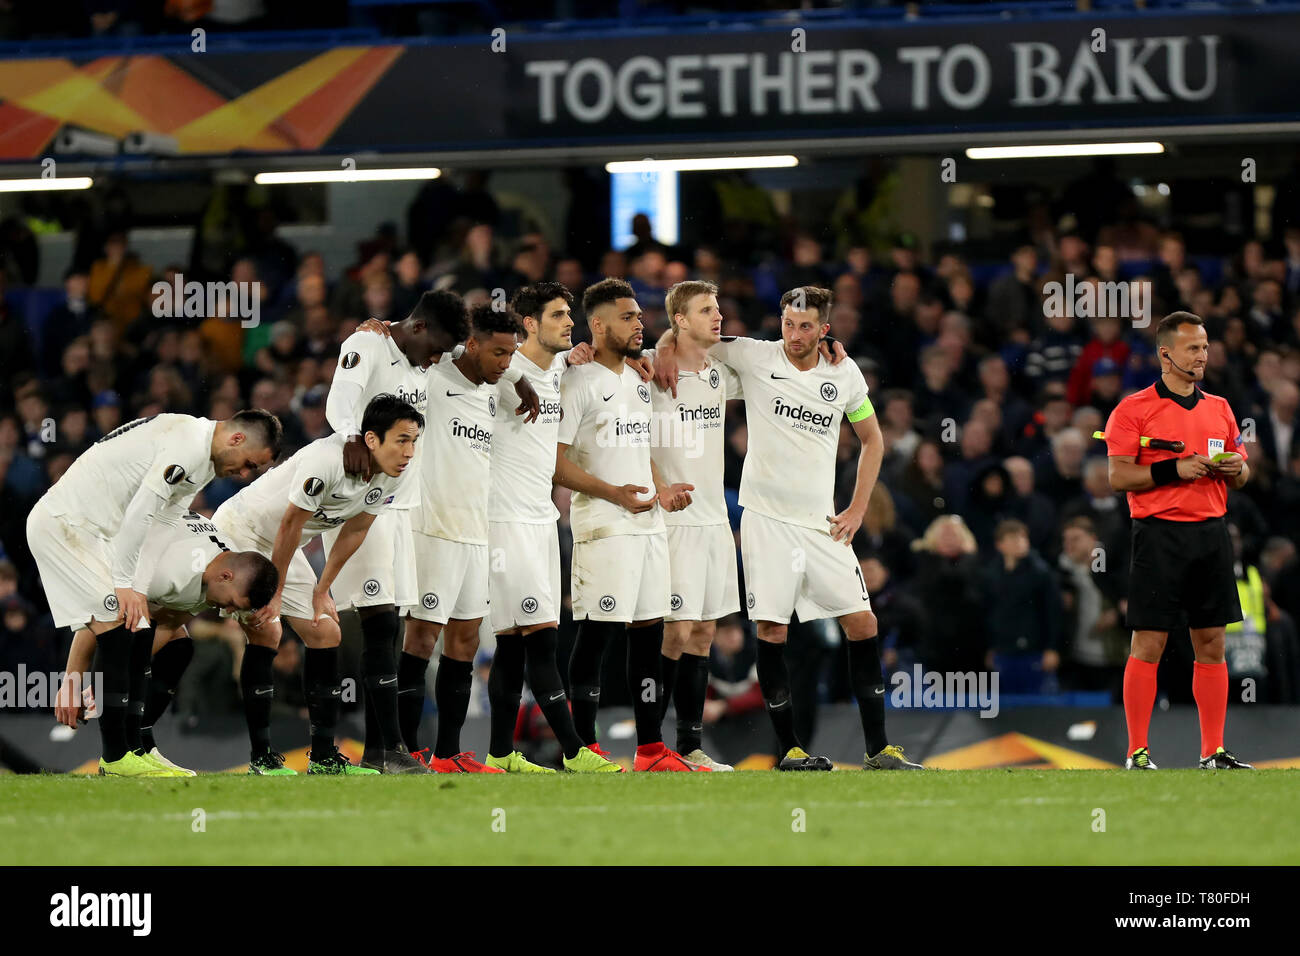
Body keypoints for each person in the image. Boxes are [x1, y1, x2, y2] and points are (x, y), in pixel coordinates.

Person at [657, 286, 921, 770]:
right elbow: (687, 335)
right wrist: (662, 350)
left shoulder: (844, 372)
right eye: (788, 323)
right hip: (766, 521)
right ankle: (790, 749)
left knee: (863, 623)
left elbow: (872, 439)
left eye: (805, 326)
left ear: (825, 329)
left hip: (822, 524)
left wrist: (858, 509)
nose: (794, 335)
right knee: (772, 630)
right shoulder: (755, 356)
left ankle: (879, 749)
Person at [26, 409, 281, 777]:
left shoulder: (202, 459)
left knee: (136, 623)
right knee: (119, 625)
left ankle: (136, 748)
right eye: (248, 465)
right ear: (236, 439)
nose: (244, 475)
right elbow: (141, 515)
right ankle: (116, 758)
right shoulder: (188, 449)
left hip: (95, 530)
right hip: (71, 525)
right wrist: (127, 585)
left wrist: (137, 590)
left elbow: (162, 523)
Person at [215, 395, 420, 775]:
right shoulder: (328, 461)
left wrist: (322, 589)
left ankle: (324, 757)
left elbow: (355, 529)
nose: (409, 451)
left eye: (414, 441)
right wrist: (274, 594)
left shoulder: (397, 473)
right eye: (402, 440)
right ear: (373, 439)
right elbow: (291, 523)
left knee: (325, 632)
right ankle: (261, 757)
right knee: (266, 631)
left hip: (282, 545)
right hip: (242, 530)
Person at [554, 278, 699, 772]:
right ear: (597, 324)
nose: (640, 324)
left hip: (648, 525)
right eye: (628, 317)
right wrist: (615, 494)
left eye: (639, 316)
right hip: (603, 526)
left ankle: (651, 748)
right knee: (595, 634)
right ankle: (583, 749)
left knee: (647, 635)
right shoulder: (575, 382)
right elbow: (555, 465)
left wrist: (659, 490)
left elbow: (640, 451)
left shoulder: (639, 379)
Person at [320, 291, 467, 773]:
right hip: (364, 503)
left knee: (392, 622)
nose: (440, 359)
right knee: (377, 623)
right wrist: (348, 438)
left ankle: (385, 749)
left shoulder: (420, 354)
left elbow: (474, 347)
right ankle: (383, 749)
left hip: (400, 508)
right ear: (421, 328)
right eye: (438, 348)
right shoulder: (368, 344)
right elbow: (340, 400)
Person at [481, 283, 622, 773]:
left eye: (570, 315)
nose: (570, 323)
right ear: (529, 324)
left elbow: (614, 349)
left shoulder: (563, 368)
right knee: (540, 636)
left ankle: (500, 756)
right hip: (504, 521)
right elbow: (456, 345)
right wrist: (382, 329)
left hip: (541, 519)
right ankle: (575, 750)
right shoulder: (500, 368)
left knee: (513, 644)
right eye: (559, 315)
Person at [1103, 311, 1254, 769]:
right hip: (1159, 535)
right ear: (1166, 354)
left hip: (1211, 533)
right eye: (1194, 348)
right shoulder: (1133, 409)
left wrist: (1236, 469)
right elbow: (1117, 476)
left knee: (1212, 642)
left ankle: (1213, 751)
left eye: (1205, 347)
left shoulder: (1221, 408)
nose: (1203, 355)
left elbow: (1244, 472)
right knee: (1149, 642)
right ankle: (1137, 752)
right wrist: (1174, 469)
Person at [53, 511, 279, 775]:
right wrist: (72, 682)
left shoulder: (217, 572)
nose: (228, 611)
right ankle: (116, 757)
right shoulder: (169, 572)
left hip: (137, 570)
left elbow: (170, 623)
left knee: (179, 647)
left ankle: (140, 746)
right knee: (129, 623)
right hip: (80, 541)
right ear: (226, 577)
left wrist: (116, 679)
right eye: (233, 603)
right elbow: (99, 616)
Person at [397, 304, 519, 773]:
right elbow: (403, 342)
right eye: (497, 353)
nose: (505, 363)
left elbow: (510, 374)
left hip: (475, 529)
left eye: (511, 355)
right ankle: (404, 750)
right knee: (423, 634)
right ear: (470, 344)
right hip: (432, 526)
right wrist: (379, 326)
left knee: (465, 639)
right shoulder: (434, 373)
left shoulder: (493, 386)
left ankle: (448, 753)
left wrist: (516, 380)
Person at [648, 280, 744, 771]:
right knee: (675, 631)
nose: (718, 315)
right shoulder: (647, 368)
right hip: (674, 520)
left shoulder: (720, 373)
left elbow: (786, 361)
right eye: (707, 309)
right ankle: (651, 746)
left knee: (704, 631)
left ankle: (689, 748)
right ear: (680, 319)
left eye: (718, 306)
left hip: (713, 520)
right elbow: (630, 438)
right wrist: (664, 346)